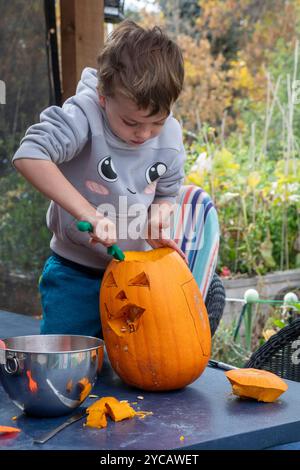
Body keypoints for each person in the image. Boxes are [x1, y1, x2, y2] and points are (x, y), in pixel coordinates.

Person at [12, 20, 189, 338]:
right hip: (74, 275)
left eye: (156, 123)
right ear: (104, 96)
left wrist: (156, 218)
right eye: (131, 122)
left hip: (134, 277)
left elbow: (168, 191)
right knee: (66, 370)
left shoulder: (170, 134)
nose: (144, 135)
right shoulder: (84, 115)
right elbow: (29, 155)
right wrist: (89, 214)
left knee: (133, 371)